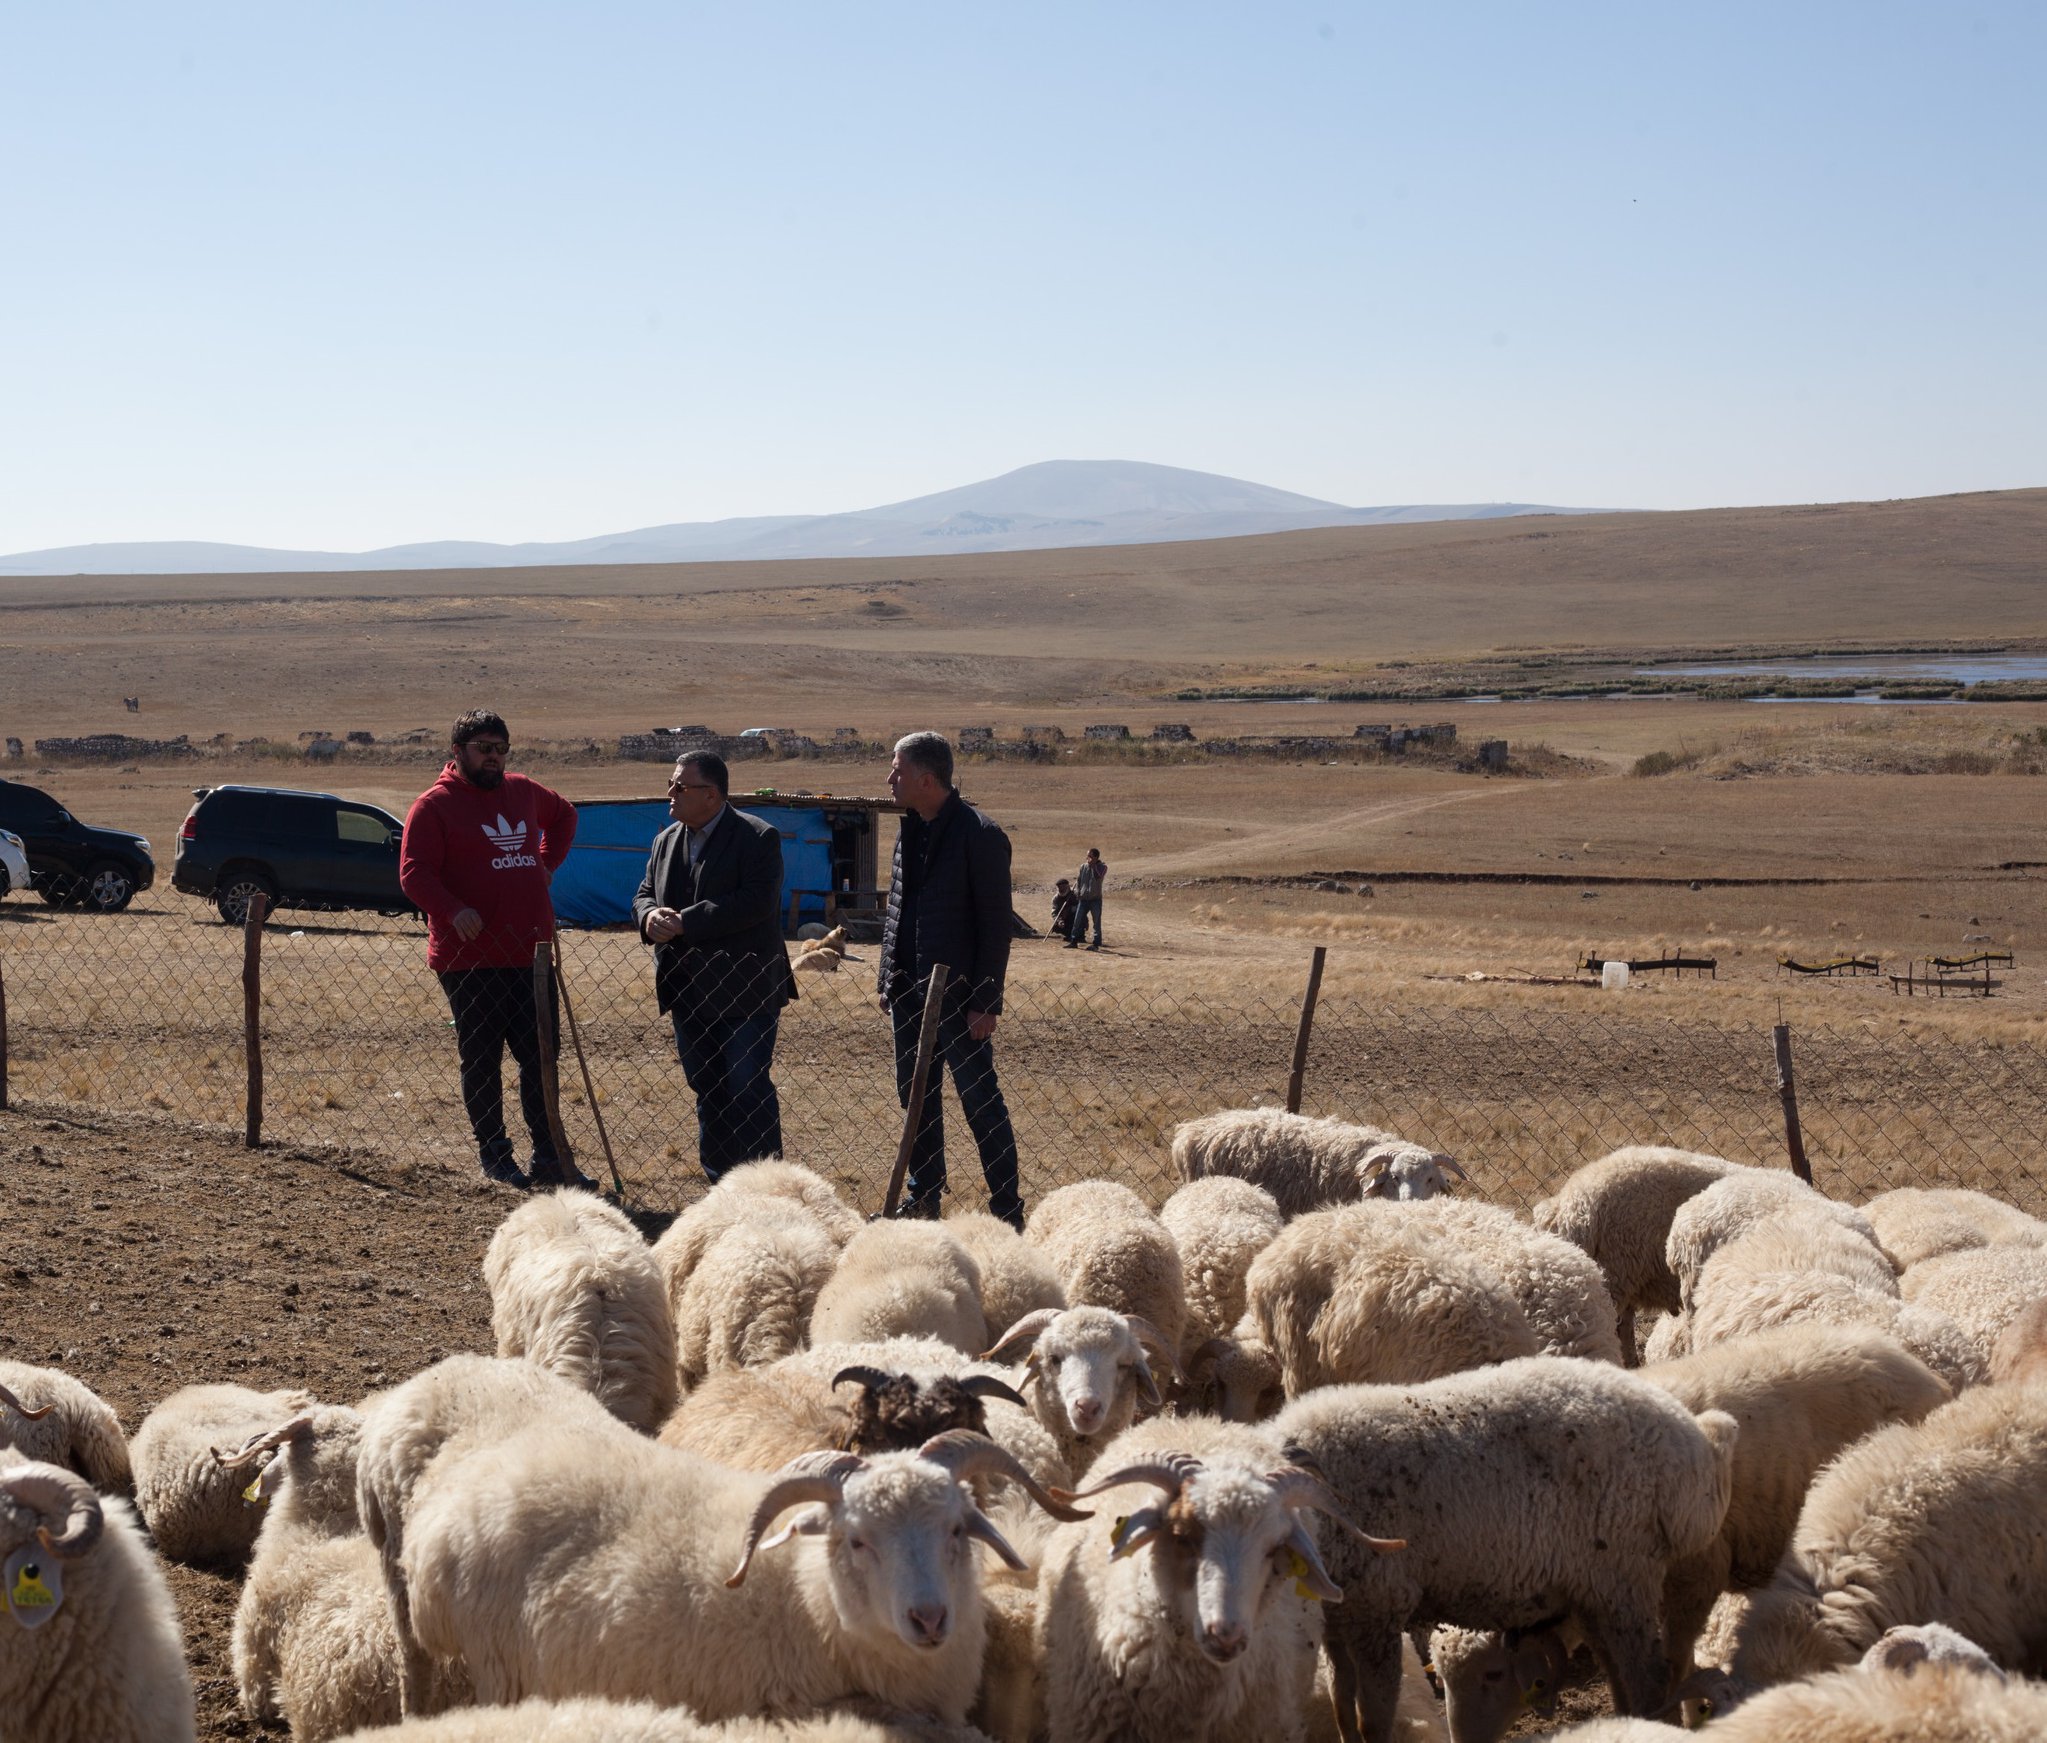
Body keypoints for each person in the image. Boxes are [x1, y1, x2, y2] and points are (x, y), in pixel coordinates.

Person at [399, 709, 591, 1190]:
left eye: (501, 749)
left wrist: (547, 863)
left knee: (540, 1058)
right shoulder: (433, 806)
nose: (494, 758)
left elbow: (565, 816)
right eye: (483, 748)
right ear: (457, 751)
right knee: (483, 1060)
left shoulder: (523, 791)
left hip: (531, 952)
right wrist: (452, 909)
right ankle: (496, 1155)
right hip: (470, 958)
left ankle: (549, 1157)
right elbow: (414, 873)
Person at [877, 730, 1024, 1231]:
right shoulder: (910, 829)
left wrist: (985, 1001)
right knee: (915, 1098)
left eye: (897, 770)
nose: (889, 779)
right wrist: (887, 978)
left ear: (925, 779)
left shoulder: (980, 835)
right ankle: (924, 1195)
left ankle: (1007, 1209)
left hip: (960, 1000)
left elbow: (995, 926)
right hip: (908, 992)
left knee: (980, 1101)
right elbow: (899, 910)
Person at [632, 752, 797, 1182]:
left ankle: (767, 1188)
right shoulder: (666, 840)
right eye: (670, 783)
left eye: (680, 786)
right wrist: (649, 917)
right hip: (686, 987)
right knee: (707, 1087)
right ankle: (720, 1182)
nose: (671, 793)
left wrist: (686, 922)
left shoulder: (757, 837)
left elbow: (757, 902)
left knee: (747, 1087)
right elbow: (645, 892)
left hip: (745, 989)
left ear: (711, 795)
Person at [1067, 846, 1108, 950]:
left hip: (1095, 899)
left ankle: (1096, 944)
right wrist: (1078, 892)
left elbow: (1098, 877)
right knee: (1077, 921)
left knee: (1096, 923)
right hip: (1083, 899)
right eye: (1087, 856)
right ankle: (1073, 941)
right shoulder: (1083, 867)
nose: (1087, 858)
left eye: (1090, 856)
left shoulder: (1103, 867)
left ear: (1096, 857)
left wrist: (1093, 866)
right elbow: (1079, 881)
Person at [1050, 877, 1078, 943]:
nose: (1061, 889)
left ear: (1067, 886)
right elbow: (1054, 912)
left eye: (1063, 887)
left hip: (1074, 917)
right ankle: (1068, 935)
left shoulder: (1075, 895)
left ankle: (1079, 935)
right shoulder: (1056, 898)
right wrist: (1059, 920)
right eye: (1059, 887)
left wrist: (1069, 909)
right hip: (1063, 918)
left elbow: (1080, 909)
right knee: (1056, 926)